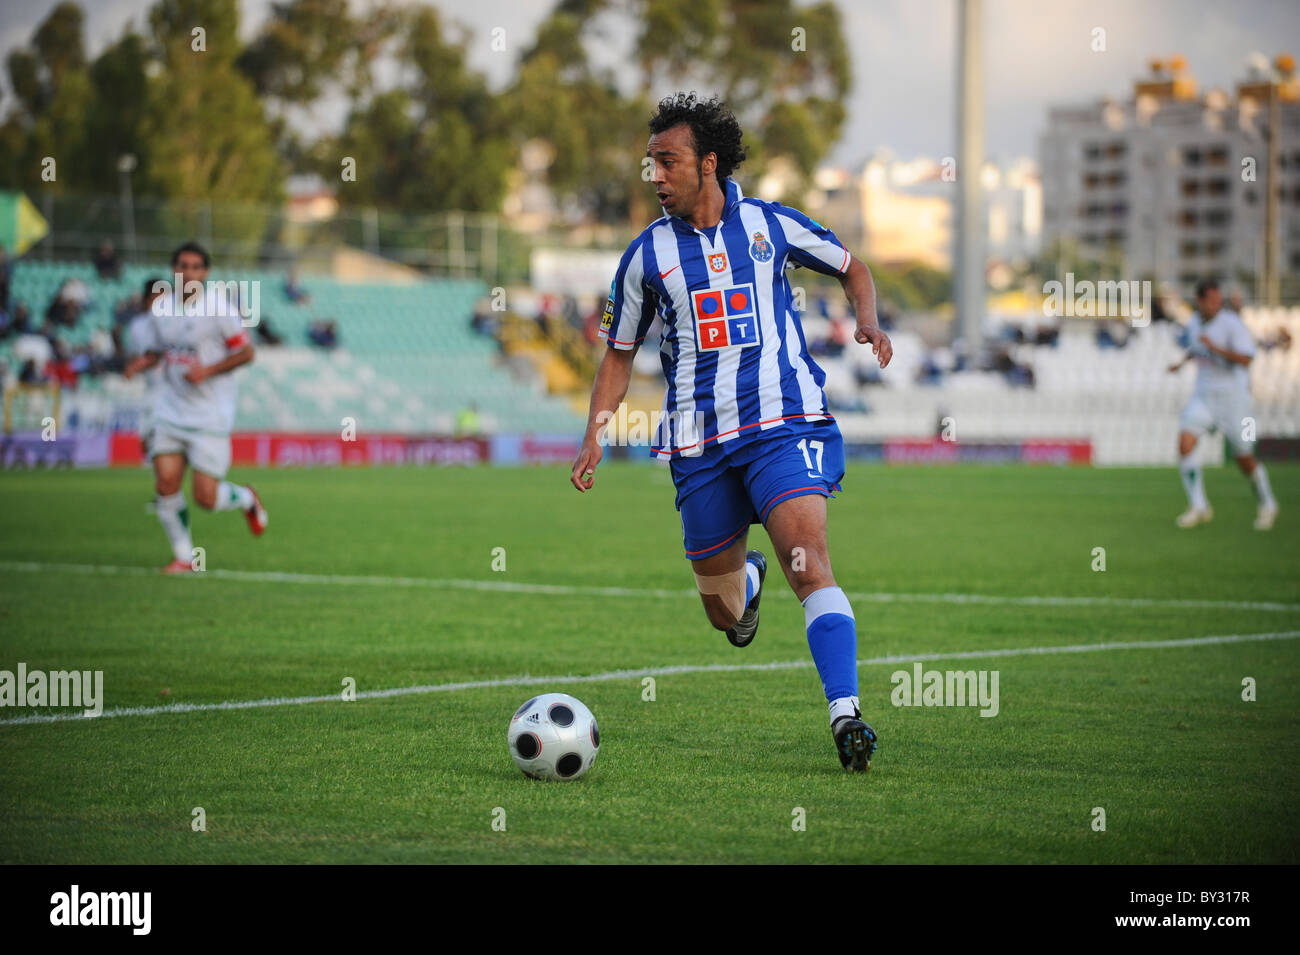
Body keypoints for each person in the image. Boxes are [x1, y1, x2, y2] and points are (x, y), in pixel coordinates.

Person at [569, 92, 893, 772]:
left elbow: (852, 267)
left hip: (782, 419)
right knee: (724, 616)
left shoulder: (771, 224)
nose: (654, 175)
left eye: (668, 160)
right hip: (698, 443)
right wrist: (596, 430)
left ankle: (846, 716)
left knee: (808, 560)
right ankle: (744, 579)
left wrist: (867, 318)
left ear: (707, 164)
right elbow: (619, 353)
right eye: (650, 162)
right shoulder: (644, 257)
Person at [124, 242, 268, 573]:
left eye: (195, 267)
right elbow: (161, 351)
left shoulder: (219, 309)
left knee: (205, 498)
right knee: (165, 484)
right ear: (174, 270)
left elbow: (247, 354)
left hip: (210, 414)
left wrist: (208, 370)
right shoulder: (161, 310)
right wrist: (140, 365)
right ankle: (185, 557)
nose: (188, 273)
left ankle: (245, 497)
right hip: (170, 411)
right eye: (182, 266)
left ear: (205, 273)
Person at [1167, 277, 1277, 530]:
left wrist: (1215, 348)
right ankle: (1199, 505)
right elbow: (1197, 348)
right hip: (1203, 397)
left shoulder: (1232, 325)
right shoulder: (1194, 323)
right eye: (1212, 300)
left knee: (1244, 458)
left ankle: (1267, 503)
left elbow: (1246, 359)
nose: (1217, 304)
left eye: (1219, 300)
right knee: (1185, 444)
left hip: (1235, 401)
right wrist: (1181, 364)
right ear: (1200, 301)